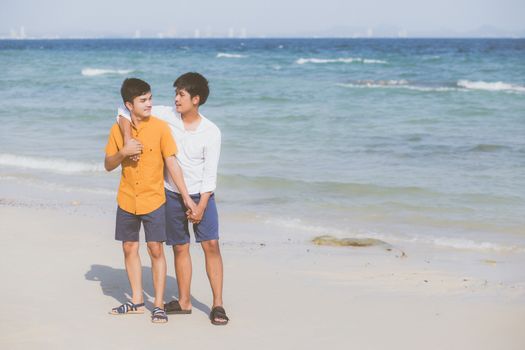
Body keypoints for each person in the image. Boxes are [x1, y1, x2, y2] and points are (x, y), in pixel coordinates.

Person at [117, 72, 229, 325]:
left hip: (202, 196)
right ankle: (184, 301)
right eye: (176, 93)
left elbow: (210, 174)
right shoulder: (166, 115)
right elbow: (124, 110)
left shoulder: (211, 131)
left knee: (211, 245)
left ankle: (218, 304)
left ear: (196, 99)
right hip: (171, 193)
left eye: (181, 94)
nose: (176, 99)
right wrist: (127, 138)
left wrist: (200, 204)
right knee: (180, 247)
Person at [104, 78, 195, 324]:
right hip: (126, 199)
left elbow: (172, 163)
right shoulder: (117, 130)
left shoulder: (160, 128)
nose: (149, 104)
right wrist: (123, 152)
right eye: (143, 100)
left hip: (154, 199)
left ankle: (158, 305)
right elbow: (108, 165)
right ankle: (135, 300)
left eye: (150, 98)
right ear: (128, 105)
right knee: (129, 247)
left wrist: (186, 195)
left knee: (155, 250)